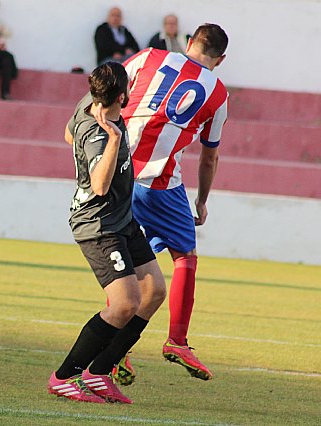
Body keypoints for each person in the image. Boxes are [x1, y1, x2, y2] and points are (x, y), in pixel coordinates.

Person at [48, 62, 166, 404]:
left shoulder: (90, 100)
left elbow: (69, 134)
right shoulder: (103, 133)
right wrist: (113, 138)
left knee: (154, 291)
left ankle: (99, 372)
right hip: (98, 226)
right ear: (123, 95)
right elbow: (99, 186)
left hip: (122, 219)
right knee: (125, 303)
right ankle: (64, 377)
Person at [121, 23, 229, 381]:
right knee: (185, 255)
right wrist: (201, 201)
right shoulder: (217, 92)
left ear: (188, 43)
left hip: (115, 174)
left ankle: (117, 349)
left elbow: (104, 93)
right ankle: (177, 341)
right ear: (221, 58)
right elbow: (209, 156)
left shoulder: (147, 57)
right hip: (159, 183)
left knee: (136, 265)